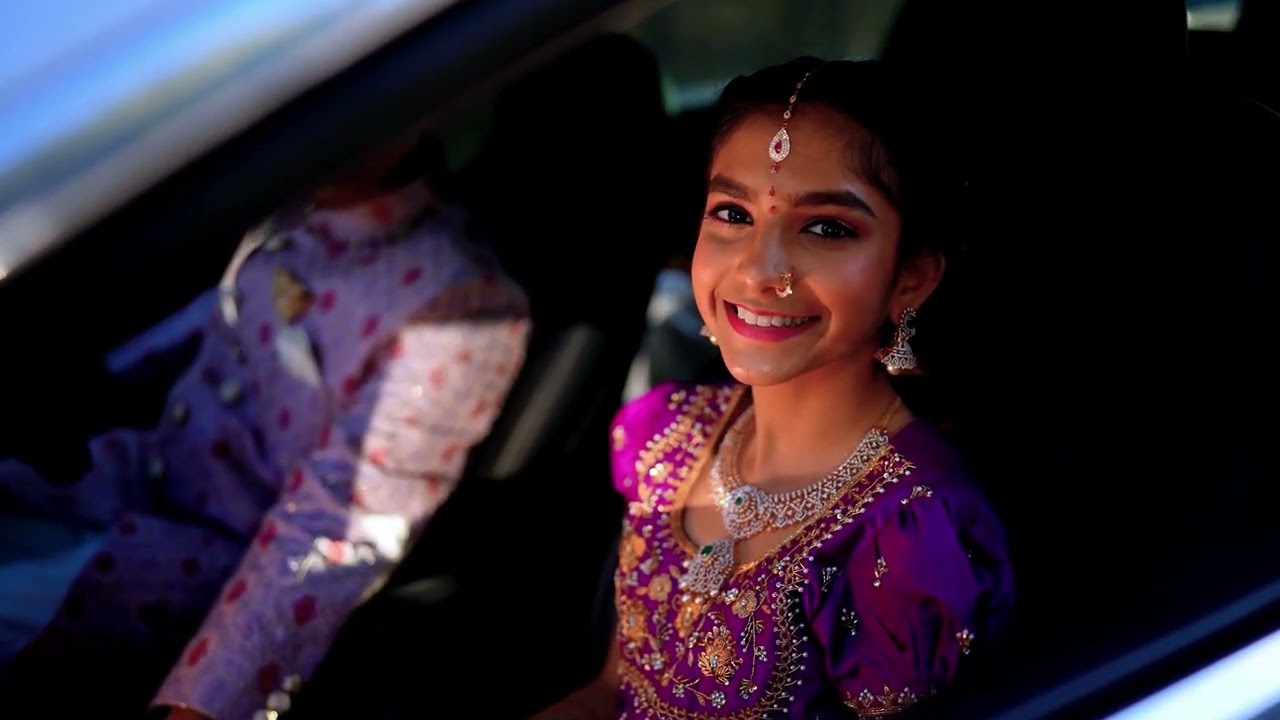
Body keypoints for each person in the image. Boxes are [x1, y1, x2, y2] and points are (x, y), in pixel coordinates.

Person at [529, 57, 1014, 719]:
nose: (760, 270)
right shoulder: (667, 436)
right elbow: (612, 690)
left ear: (911, 278)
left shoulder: (914, 533)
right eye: (733, 213)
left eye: (827, 228)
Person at [0, 131, 531, 719]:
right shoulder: (285, 209)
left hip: (177, 572)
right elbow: (193, 338)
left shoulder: (457, 301)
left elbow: (338, 528)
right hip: (116, 483)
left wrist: (202, 706)